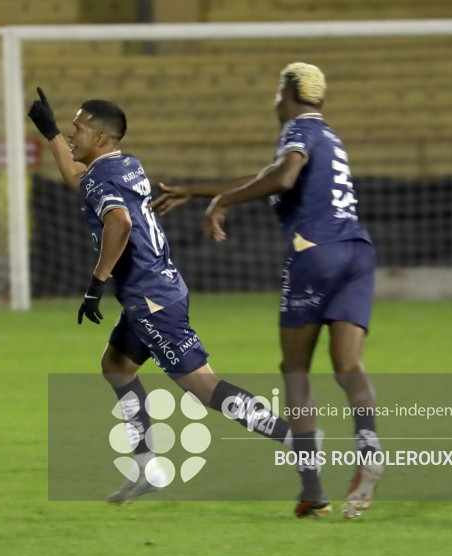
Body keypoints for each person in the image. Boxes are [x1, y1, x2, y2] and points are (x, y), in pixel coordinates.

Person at [27, 87, 296, 504]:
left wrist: (96, 284)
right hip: (152, 292)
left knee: (205, 388)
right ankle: (147, 467)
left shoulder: (103, 176)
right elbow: (79, 179)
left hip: (152, 299)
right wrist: (50, 134)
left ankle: (295, 439)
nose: (72, 134)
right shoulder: (125, 164)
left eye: (76, 129)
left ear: (101, 138)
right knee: (116, 367)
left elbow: (119, 223)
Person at [151, 63, 382, 519]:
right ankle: (369, 455)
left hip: (315, 252)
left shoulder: (296, 130)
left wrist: (220, 203)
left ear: (286, 93)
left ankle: (313, 487)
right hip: (357, 251)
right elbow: (267, 175)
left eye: (277, 91)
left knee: (295, 367)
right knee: (348, 365)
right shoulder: (327, 135)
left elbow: (283, 177)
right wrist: (198, 191)